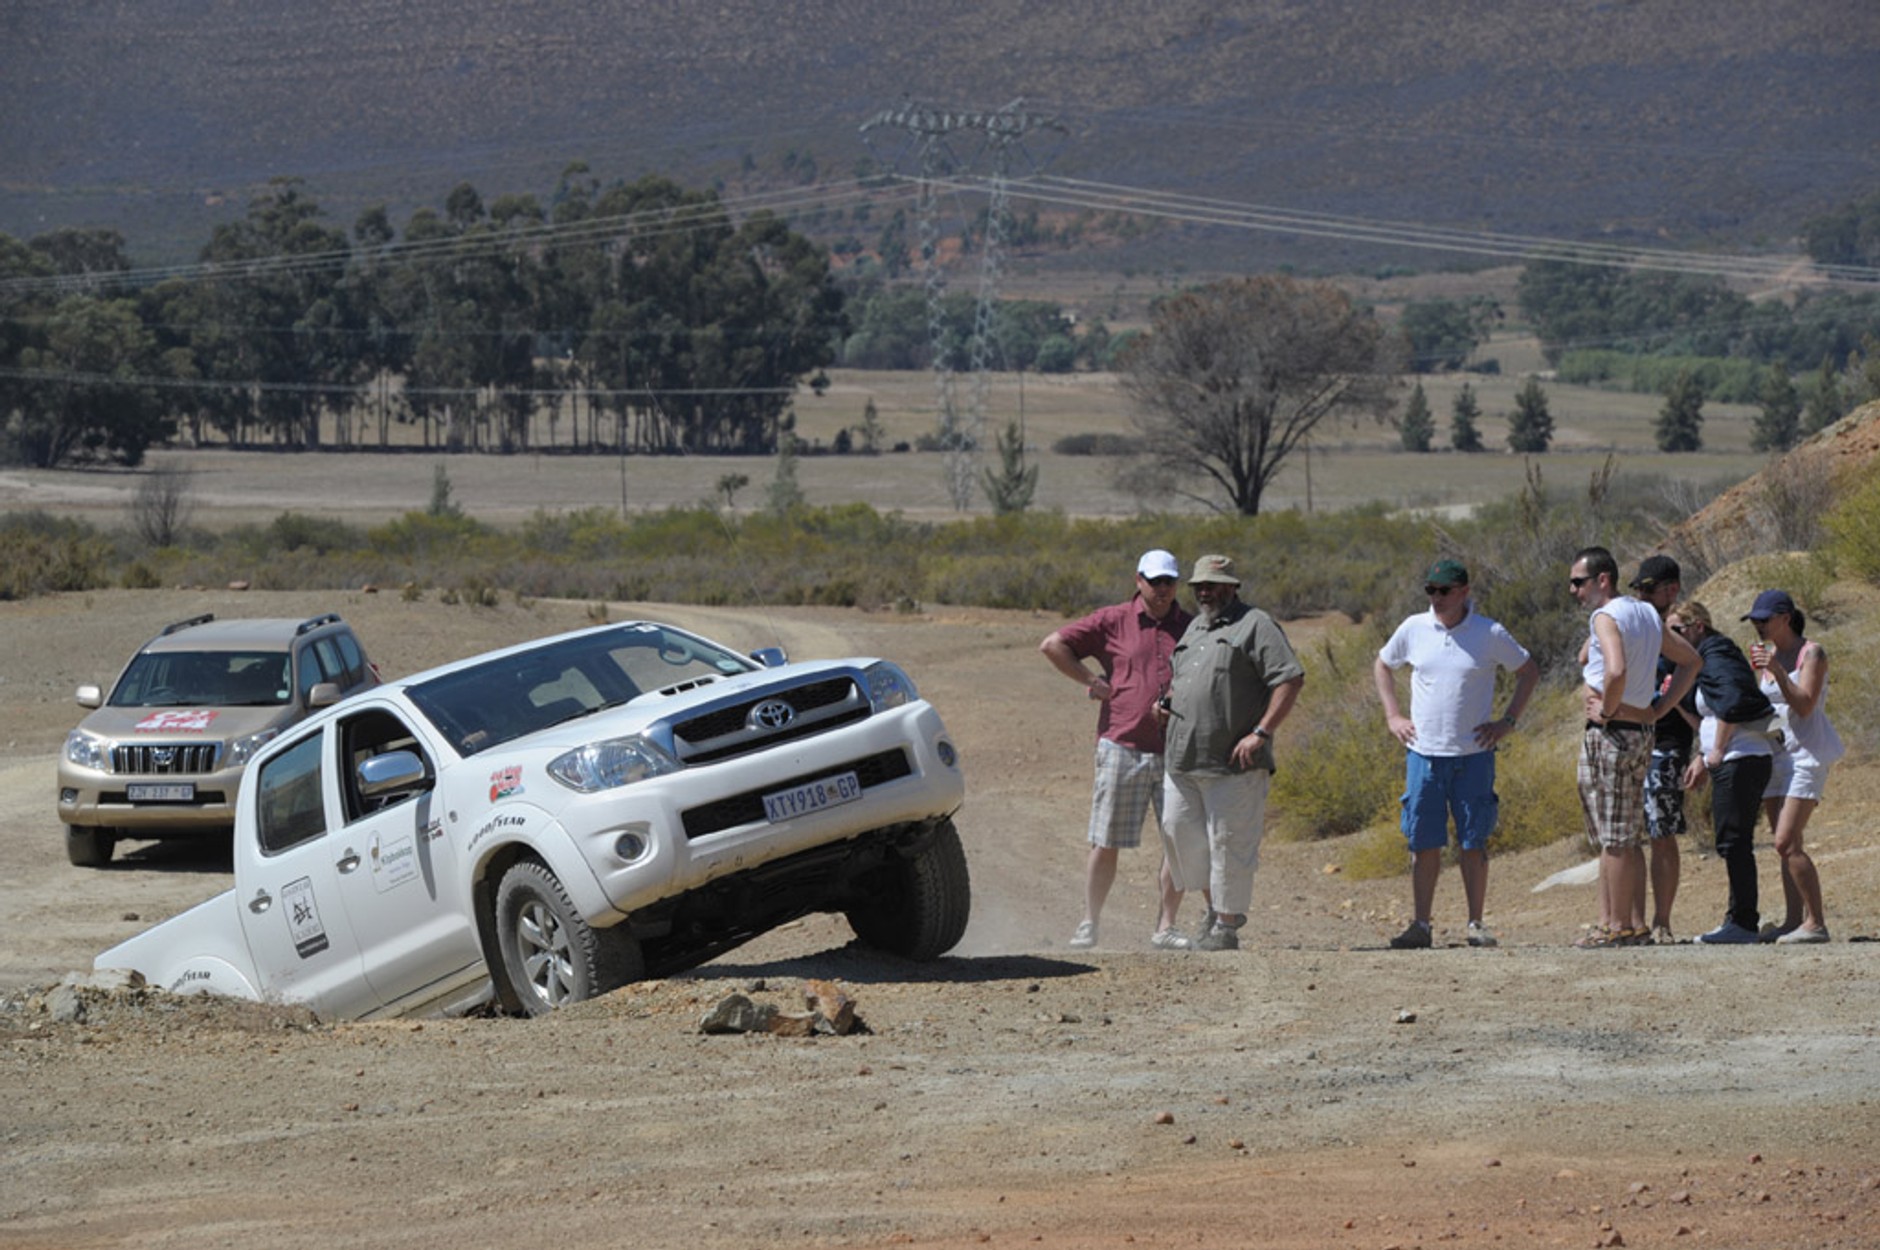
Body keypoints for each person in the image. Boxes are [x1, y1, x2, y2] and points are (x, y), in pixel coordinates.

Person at [1373, 558, 1539, 950]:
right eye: (1431, 590)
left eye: (1444, 591)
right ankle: (1420, 924)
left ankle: (1476, 922)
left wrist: (1508, 721)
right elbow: (1383, 664)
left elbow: (1528, 671)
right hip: (1424, 754)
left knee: (1473, 839)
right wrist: (1393, 715)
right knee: (1422, 840)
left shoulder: (1489, 633)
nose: (1437, 598)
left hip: (1473, 754)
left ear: (1464, 591)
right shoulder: (1414, 628)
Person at [1040, 549, 1197, 950]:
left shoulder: (1192, 627)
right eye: (1154, 581)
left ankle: (1166, 926)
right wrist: (1090, 679)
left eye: (1169, 582)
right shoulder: (1112, 620)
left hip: (1176, 750)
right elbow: (1053, 644)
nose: (1162, 590)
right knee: (1105, 840)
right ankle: (1089, 922)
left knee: (1176, 840)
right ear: (1138, 580)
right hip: (1121, 744)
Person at [1159, 554, 1305, 952]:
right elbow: (1183, 681)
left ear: (1232, 587)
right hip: (1182, 758)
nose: (1205, 591)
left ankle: (1226, 924)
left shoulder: (1255, 625)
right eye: (1199, 585)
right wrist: (1166, 702)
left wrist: (1262, 732)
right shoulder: (1194, 627)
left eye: (1213, 584)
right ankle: (1213, 907)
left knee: (1229, 842)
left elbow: (1289, 678)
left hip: (1233, 763)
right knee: (1178, 833)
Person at [1568, 546, 1699, 948]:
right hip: (1640, 731)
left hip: (1613, 733)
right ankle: (1623, 922)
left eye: (1578, 582)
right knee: (1621, 831)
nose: (1573, 590)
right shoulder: (1644, 613)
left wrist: (1609, 709)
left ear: (1601, 580)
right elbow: (1691, 661)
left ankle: (1617, 926)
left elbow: (1617, 668)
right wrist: (1658, 710)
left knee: (1616, 836)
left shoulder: (1606, 616)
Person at [1668, 601, 1777, 945]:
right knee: (1731, 838)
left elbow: (1731, 701)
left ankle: (1743, 923)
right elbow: (1706, 716)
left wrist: (1715, 751)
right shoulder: (1702, 661)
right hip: (1731, 757)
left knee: (1734, 840)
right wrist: (1704, 754)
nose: (1672, 638)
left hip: (1742, 756)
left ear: (1698, 626)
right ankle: (1739, 919)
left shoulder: (1719, 655)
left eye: (1677, 631)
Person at [1746, 589, 1845, 944]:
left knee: (1786, 840)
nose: (1758, 626)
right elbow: (1770, 709)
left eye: (1764, 619)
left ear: (1785, 618)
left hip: (1807, 754)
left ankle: (1816, 922)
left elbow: (1804, 705)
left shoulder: (1811, 653)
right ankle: (1793, 920)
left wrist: (1777, 672)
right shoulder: (1770, 655)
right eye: (1755, 620)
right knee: (1785, 843)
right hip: (1777, 755)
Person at [1632, 554, 1692, 944]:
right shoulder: (1632, 623)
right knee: (1626, 834)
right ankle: (1633, 921)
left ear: (1671, 589)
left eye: (1650, 589)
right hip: (1629, 739)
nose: (1644, 595)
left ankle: (1662, 921)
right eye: (1640, 589)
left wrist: (1659, 710)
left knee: (1661, 832)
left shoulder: (1676, 629)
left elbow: (1693, 667)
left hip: (1665, 744)